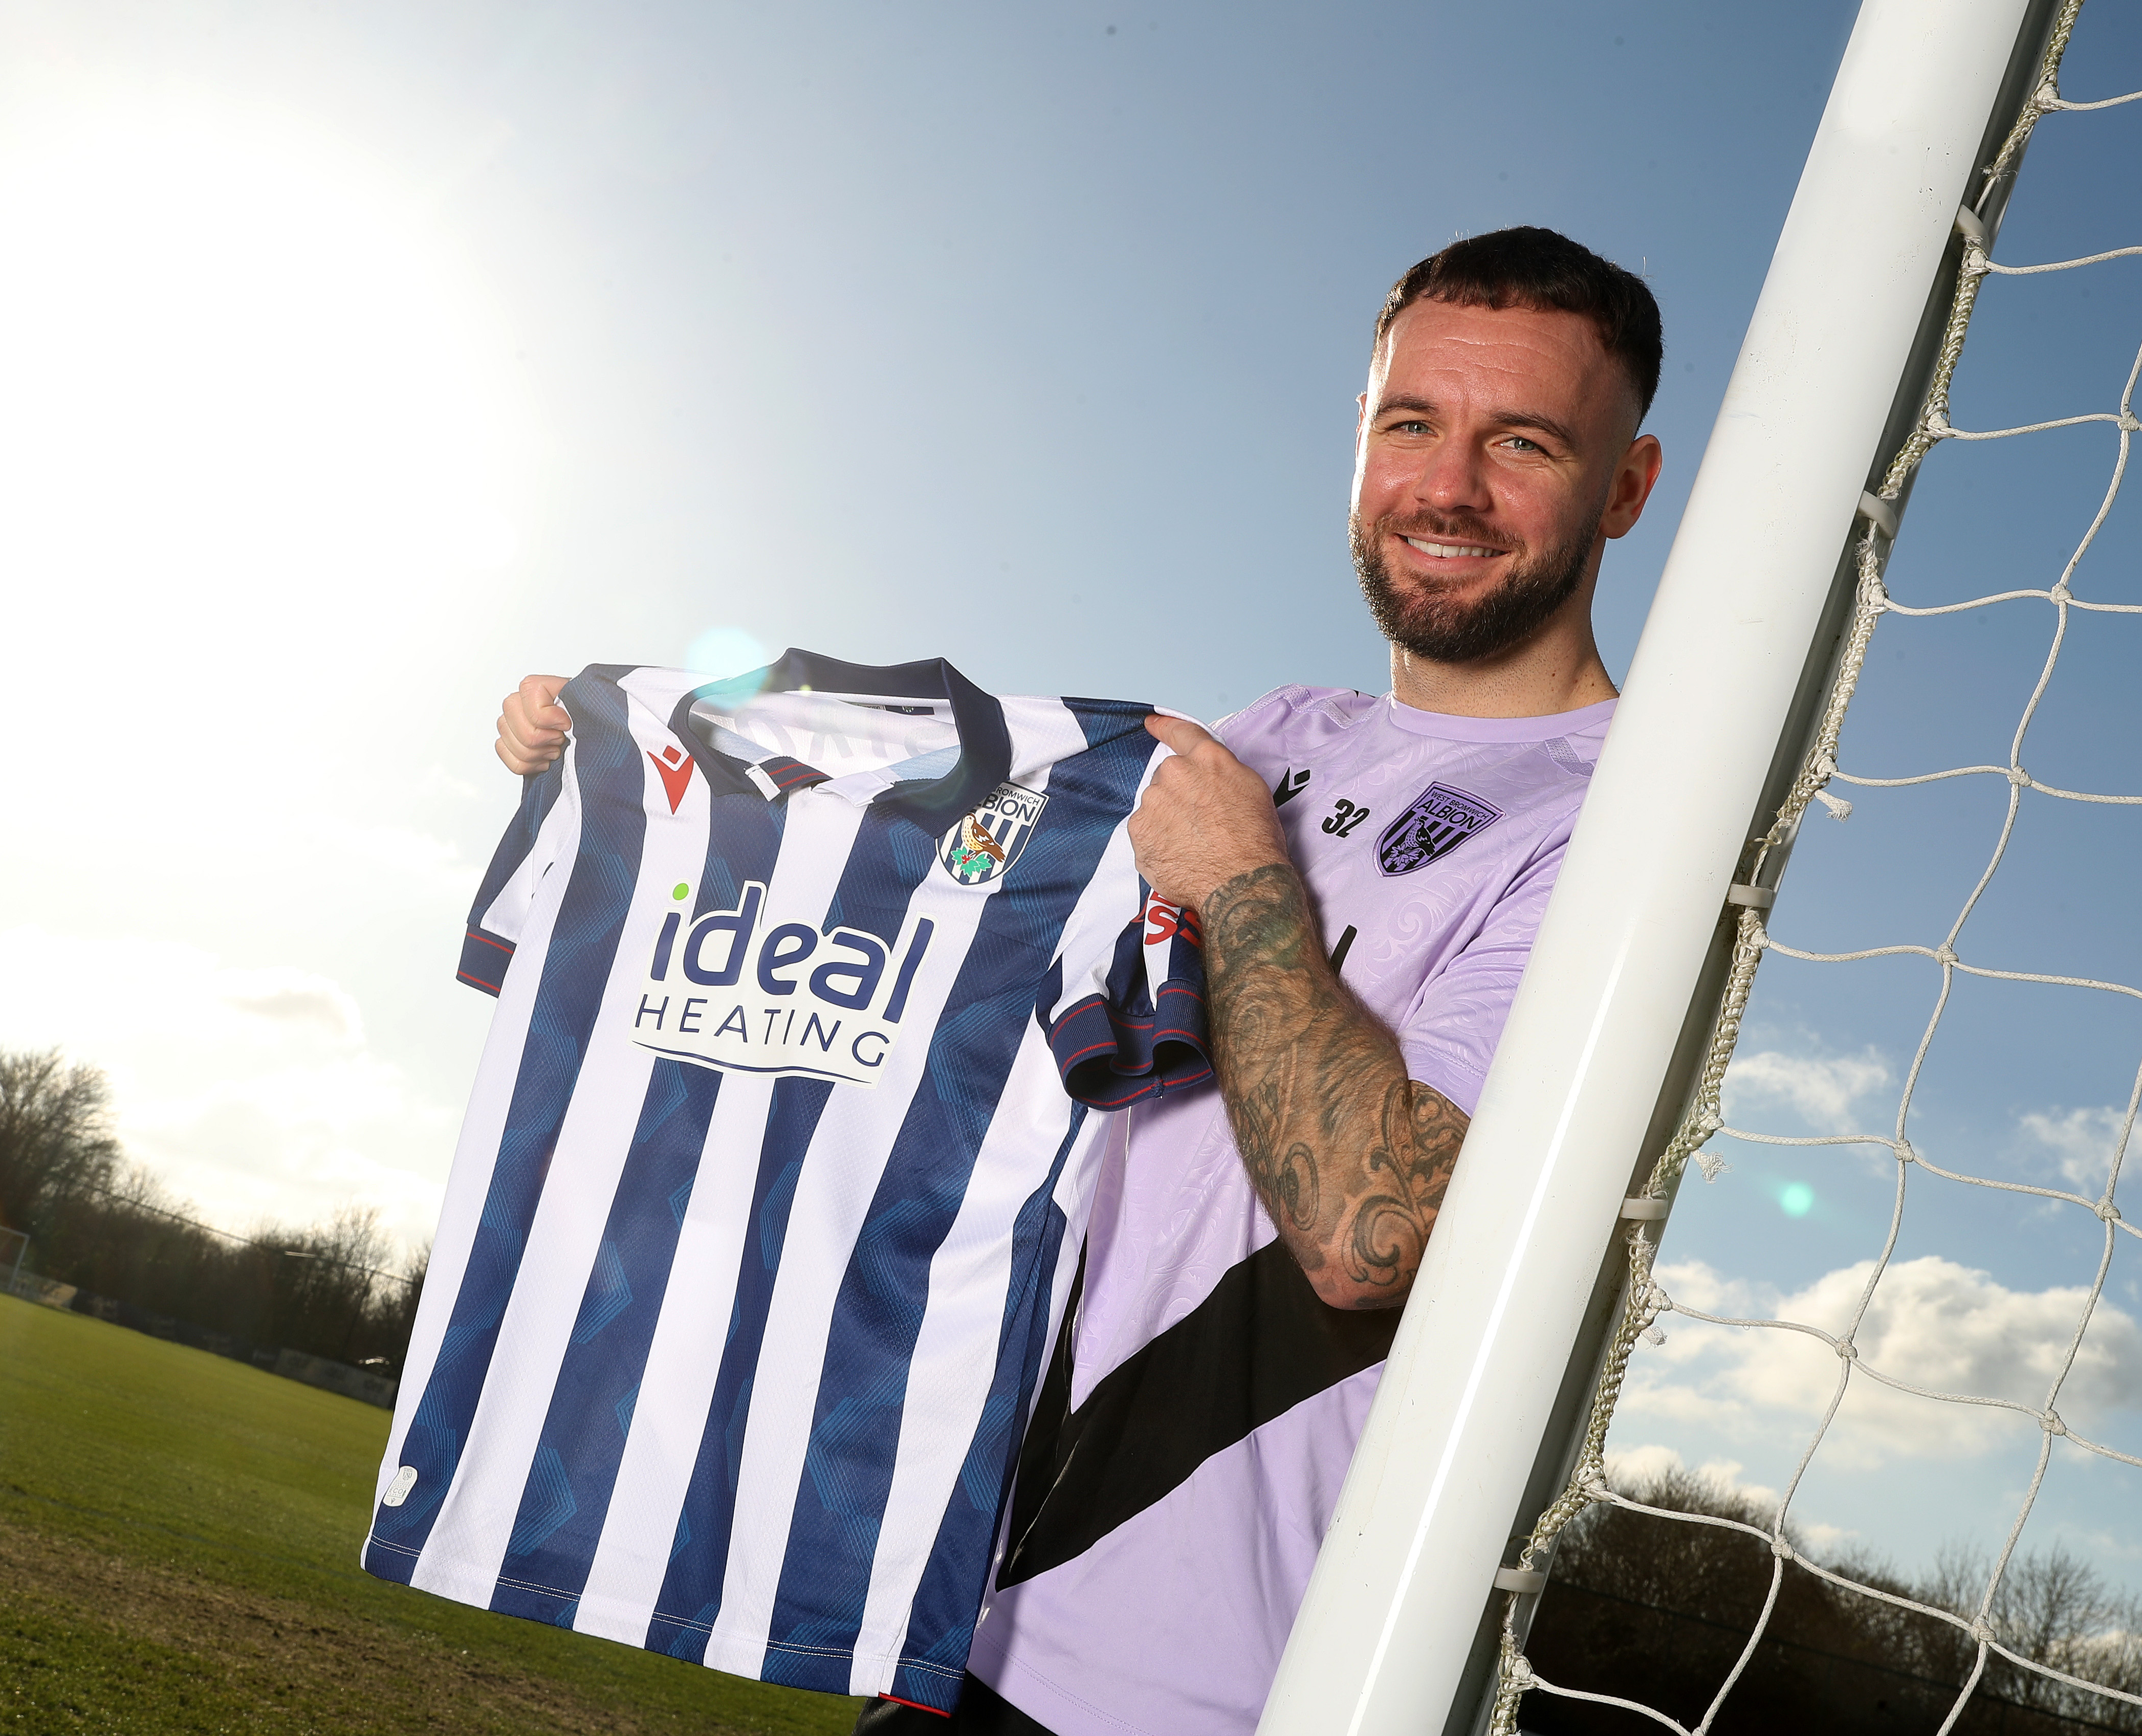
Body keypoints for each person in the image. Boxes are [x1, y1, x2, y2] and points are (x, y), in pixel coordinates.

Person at [492, 226, 1664, 1736]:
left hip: (1209, 1696)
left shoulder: (1622, 824)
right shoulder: (1272, 728)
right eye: (1407, 424)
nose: (1445, 486)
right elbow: (941, 896)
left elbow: (1378, 1231)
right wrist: (625, 770)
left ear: (1623, 486)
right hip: (967, 1612)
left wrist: (1241, 879)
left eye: (1519, 441)